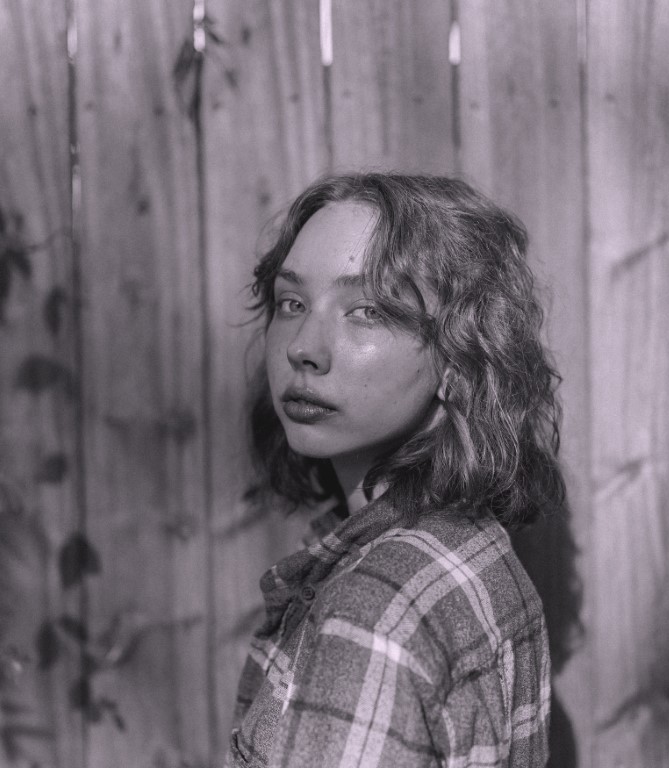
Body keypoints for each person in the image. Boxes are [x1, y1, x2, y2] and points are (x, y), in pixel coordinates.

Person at [225, 173, 565, 768]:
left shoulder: (374, 610)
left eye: (368, 310)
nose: (304, 346)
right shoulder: (469, 552)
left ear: (463, 355)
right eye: (292, 303)